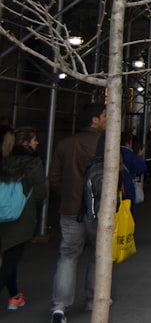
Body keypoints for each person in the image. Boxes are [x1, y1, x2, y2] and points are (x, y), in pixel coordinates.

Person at [50, 102, 106, 322]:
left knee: (68, 256)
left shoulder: (65, 144)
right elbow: (116, 177)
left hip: (70, 210)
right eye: (103, 115)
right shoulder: (105, 144)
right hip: (99, 210)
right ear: (94, 119)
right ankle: (94, 299)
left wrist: (70, 195)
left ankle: (59, 306)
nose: (106, 119)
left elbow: (54, 179)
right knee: (98, 255)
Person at [0, 127, 48, 311]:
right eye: (34, 139)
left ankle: (15, 296)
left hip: (1, 213)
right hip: (21, 217)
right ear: (26, 142)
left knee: (9, 255)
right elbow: (40, 193)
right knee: (11, 259)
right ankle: (13, 296)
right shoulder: (33, 163)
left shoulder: (4, 160)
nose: (37, 143)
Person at [119, 132, 146, 204]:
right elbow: (140, 168)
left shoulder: (116, 152)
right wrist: (139, 156)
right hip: (128, 184)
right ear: (130, 141)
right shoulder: (130, 155)